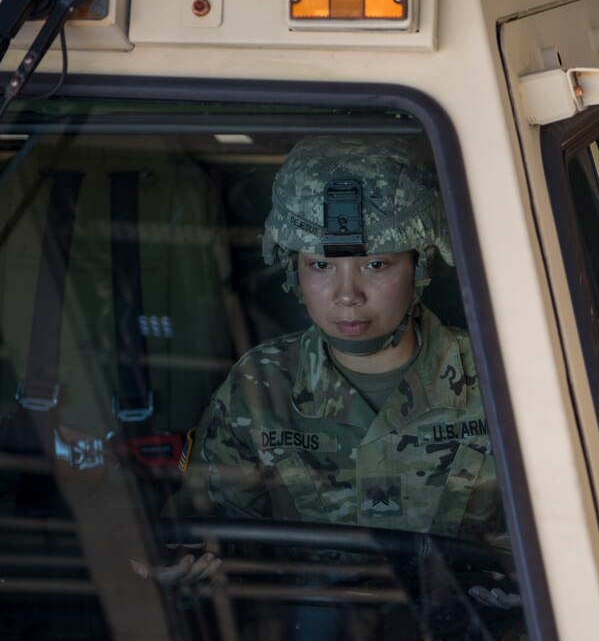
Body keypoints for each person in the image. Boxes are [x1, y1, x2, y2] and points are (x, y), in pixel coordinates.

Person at [134, 135, 515, 611]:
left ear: (420, 267)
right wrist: (190, 559)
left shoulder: (503, 378)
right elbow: (214, 530)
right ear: (293, 273)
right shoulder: (260, 386)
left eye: (376, 264)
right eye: (320, 266)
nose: (347, 294)